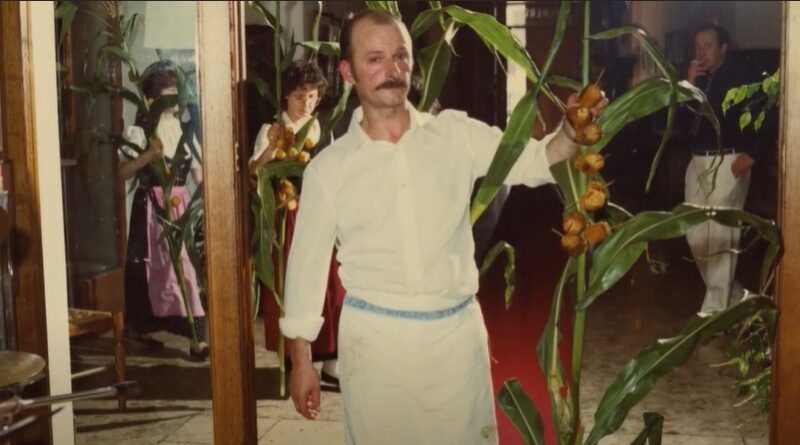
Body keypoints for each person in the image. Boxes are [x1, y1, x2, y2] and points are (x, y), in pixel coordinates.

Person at [278, 10, 606, 445]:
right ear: (348, 72)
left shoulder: (454, 135)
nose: (392, 69)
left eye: (400, 56)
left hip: (456, 345)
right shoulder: (329, 170)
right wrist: (302, 360)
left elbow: (532, 160)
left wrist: (569, 132)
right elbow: (305, 268)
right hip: (376, 352)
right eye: (375, 59)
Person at [249, 60, 345, 384]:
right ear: (287, 95)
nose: (306, 103)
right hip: (287, 215)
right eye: (300, 96)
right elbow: (253, 172)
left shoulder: (321, 129)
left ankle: (330, 361)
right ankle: (294, 361)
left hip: (321, 215)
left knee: (331, 286)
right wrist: (272, 147)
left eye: (313, 97)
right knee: (292, 286)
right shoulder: (273, 128)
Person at [119, 61, 208, 361]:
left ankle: (196, 338)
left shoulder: (185, 130)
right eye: (168, 93)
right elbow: (122, 173)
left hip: (179, 206)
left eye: (176, 92)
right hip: (150, 208)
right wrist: (149, 155)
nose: (175, 98)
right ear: (152, 99)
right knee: (147, 269)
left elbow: (199, 176)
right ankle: (141, 329)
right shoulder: (139, 131)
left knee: (185, 269)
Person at [682, 23, 760, 314]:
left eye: (708, 46)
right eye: (697, 47)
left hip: (729, 162)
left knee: (722, 235)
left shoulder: (741, 77)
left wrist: (754, 153)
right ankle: (736, 295)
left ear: (723, 48)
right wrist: (687, 87)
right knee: (695, 233)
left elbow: (770, 113)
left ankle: (713, 312)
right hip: (697, 163)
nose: (701, 52)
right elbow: (679, 124)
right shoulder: (696, 80)